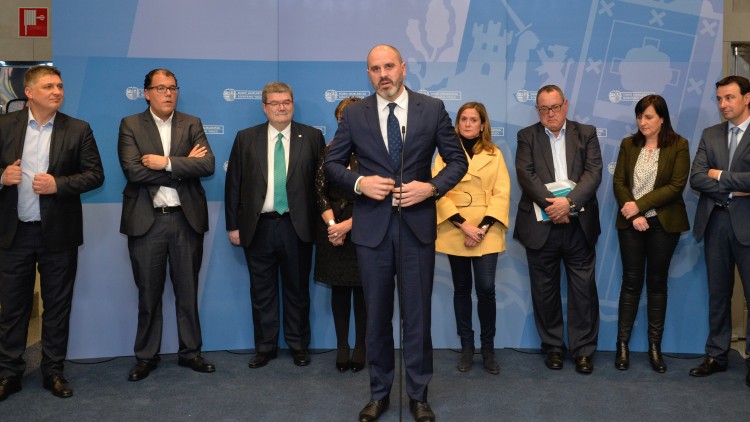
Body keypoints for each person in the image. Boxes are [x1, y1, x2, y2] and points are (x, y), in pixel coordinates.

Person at [325, 44, 468, 422]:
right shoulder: (354, 113)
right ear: (368, 74)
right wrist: (360, 183)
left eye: (389, 66)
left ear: (403, 68)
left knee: (416, 317)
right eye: (375, 69)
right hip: (371, 230)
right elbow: (332, 164)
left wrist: (431, 188)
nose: (383, 74)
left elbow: (458, 161)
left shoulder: (431, 108)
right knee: (376, 317)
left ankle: (418, 396)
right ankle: (379, 394)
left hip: (416, 228)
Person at [0, 65, 104, 400]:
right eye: (48, 86)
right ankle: (9, 373)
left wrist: (58, 184)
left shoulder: (78, 129)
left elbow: (95, 175)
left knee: (57, 307)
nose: (57, 91)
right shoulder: (4, 125)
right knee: (13, 307)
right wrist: (2, 177)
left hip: (58, 234)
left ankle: (53, 371)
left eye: (59, 86)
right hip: (13, 234)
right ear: (29, 92)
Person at [118, 69, 216, 382]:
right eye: (160, 88)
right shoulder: (131, 124)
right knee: (149, 294)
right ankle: (146, 357)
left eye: (172, 87)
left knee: (188, 291)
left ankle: (191, 353)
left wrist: (166, 162)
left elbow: (207, 165)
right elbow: (134, 172)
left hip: (185, 220)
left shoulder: (192, 123)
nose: (168, 93)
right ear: (147, 93)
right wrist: (183, 166)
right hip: (147, 222)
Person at [225, 82, 325, 369]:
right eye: (275, 103)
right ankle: (265, 347)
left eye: (286, 102)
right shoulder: (246, 138)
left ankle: (298, 345)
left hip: (297, 226)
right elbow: (234, 185)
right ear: (264, 107)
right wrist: (233, 225)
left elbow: (321, 185)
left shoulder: (312, 137)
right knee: (262, 292)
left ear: (293, 104)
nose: (282, 108)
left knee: (298, 291)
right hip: (258, 227)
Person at [514, 84, 602, 374]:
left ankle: (583, 350)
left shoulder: (586, 133)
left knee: (583, 290)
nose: (550, 113)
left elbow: (593, 173)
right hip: (541, 226)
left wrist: (569, 204)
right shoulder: (526, 136)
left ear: (565, 105)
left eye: (554, 107)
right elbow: (526, 175)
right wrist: (554, 207)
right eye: (544, 109)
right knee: (544, 290)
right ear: (537, 110)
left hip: (579, 225)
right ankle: (552, 347)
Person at [612, 94, 690, 373]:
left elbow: (675, 186)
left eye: (648, 117)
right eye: (639, 116)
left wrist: (640, 207)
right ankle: (622, 346)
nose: (642, 122)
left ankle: (655, 348)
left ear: (662, 118)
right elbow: (619, 182)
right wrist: (633, 214)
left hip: (663, 225)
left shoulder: (679, 145)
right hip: (631, 224)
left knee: (657, 284)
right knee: (631, 283)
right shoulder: (628, 144)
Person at [433, 102, 510, 375]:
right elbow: (437, 190)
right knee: (462, 288)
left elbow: (502, 193)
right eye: (463, 119)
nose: (467, 124)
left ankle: (488, 349)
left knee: (486, 289)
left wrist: (481, 229)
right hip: (456, 226)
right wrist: (464, 226)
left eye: (473, 119)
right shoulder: (445, 153)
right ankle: (467, 347)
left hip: (487, 228)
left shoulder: (494, 153)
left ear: (482, 124)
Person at [689, 75, 750, 387]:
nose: (723, 104)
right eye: (719, 99)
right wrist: (733, 185)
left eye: (729, 97)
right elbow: (697, 178)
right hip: (715, 223)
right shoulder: (710, 134)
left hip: (747, 225)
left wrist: (720, 175)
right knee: (718, 294)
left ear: (747, 98)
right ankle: (716, 354)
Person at [313, 97, 367, 373]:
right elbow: (319, 191)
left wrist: (347, 226)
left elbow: (378, 198)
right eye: (341, 119)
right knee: (339, 290)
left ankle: (361, 346)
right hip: (331, 227)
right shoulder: (330, 151)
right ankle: (342, 346)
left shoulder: (373, 152)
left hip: (364, 227)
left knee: (362, 291)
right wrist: (334, 226)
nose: (345, 123)